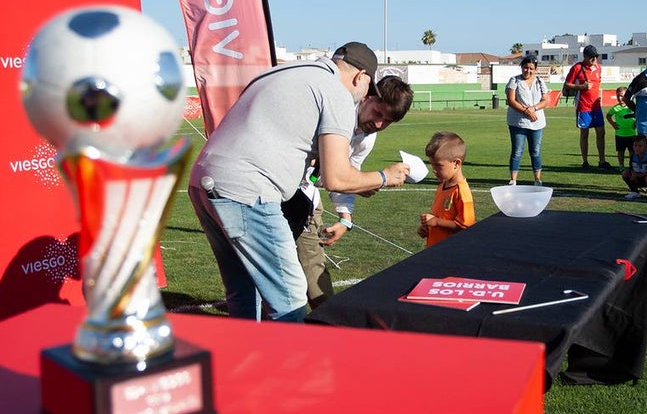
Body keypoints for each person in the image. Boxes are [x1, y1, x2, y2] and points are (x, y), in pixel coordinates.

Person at [189, 42, 409, 321]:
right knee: (291, 297)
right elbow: (337, 178)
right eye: (368, 88)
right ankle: (287, 351)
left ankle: (244, 348)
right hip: (249, 189)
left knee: (243, 288)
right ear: (360, 77)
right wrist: (384, 177)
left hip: (203, 182)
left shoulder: (282, 72)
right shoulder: (337, 92)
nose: (365, 95)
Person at [295, 76, 414, 309]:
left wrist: (345, 218)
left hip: (305, 196)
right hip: (282, 190)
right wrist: (381, 178)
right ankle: (326, 321)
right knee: (296, 268)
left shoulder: (367, 138)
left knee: (306, 264)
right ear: (367, 97)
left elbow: (348, 172)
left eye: (387, 121)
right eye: (378, 113)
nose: (378, 124)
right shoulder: (336, 113)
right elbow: (335, 176)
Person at [419, 131, 475, 247]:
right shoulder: (442, 185)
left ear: (456, 163)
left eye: (438, 165)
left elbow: (466, 226)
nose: (434, 170)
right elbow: (442, 216)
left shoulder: (461, 192)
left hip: (450, 251)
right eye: (432, 165)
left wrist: (436, 222)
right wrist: (428, 228)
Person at [504, 56, 549, 185]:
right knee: (517, 151)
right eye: (525, 67)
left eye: (531, 68)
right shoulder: (514, 80)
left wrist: (534, 108)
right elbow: (511, 100)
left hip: (536, 123)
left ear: (535, 69)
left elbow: (545, 101)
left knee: (535, 151)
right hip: (518, 123)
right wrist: (526, 111)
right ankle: (513, 179)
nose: (528, 71)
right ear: (521, 67)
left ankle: (537, 179)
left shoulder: (540, 82)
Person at [564, 45, 610, 170]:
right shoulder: (577, 68)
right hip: (583, 106)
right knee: (584, 134)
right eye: (592, 57)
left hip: (596, 106)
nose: (594, 59)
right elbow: (567, 84)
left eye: (596, 57)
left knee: (601, 132)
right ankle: (585, 162)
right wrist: (581, 87)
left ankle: (602, 161)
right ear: (585, 56)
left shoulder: (598, 68)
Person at [622, 135, 647, 202]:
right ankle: (634, 191)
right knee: (625, 173)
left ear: (646, 146)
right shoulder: (633, 157)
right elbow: (631, 168)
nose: (637, 148)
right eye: (635, 145)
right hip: (639, 177)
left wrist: (639, 175)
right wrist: (633, 173)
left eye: (640, 146)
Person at [606, 87, 637, 170]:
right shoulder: (615, 108)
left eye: (622, 96)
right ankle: (621, 166)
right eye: (618, 96)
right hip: (620, 134)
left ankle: (632, 166)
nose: (620, 98)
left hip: (631, 134)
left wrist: (636, 123)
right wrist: (613, 124)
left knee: (632, 151)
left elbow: (638, 115)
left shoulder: (632, 106)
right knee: (620, 151)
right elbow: (608, 116)